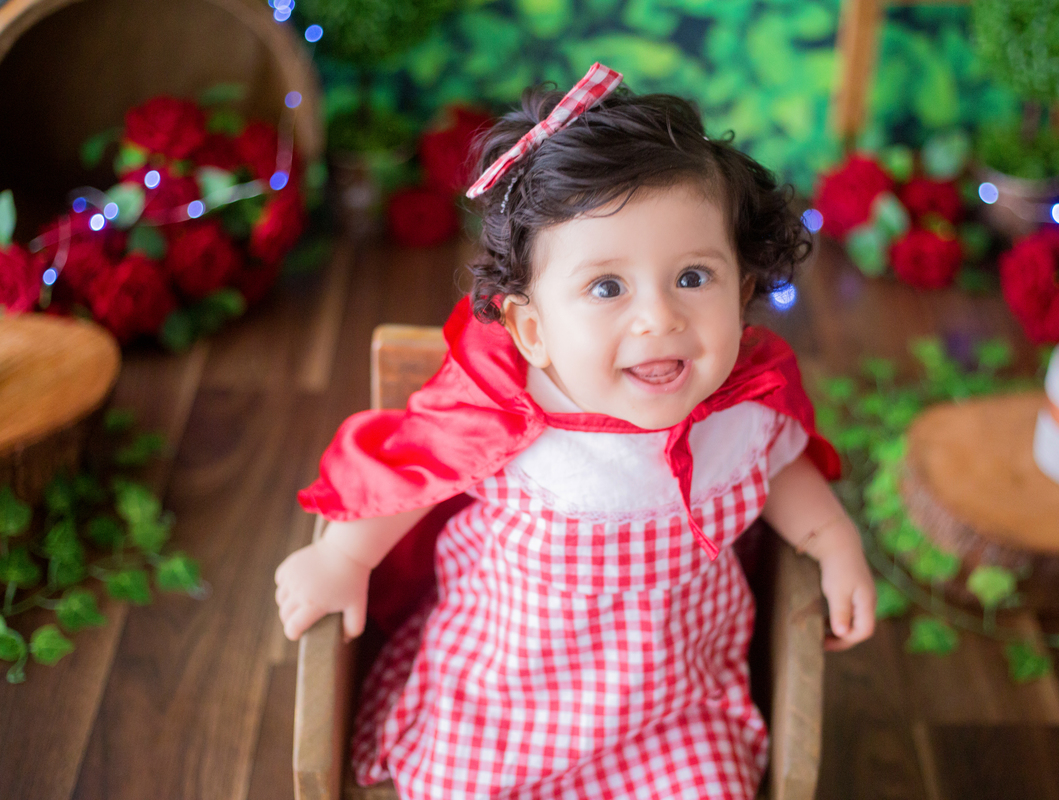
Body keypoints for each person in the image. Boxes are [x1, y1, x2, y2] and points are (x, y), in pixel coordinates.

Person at [275, 63, 875, 799]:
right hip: (502, 694)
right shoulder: (505, 418)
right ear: (533, 330)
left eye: (693, 277)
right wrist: (342, 557)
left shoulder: (744, 414)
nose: (659, 319)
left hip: (673, 704)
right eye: (607, 287)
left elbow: (785, 473)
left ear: (743, 289)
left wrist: (833, 541)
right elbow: (409, 470)